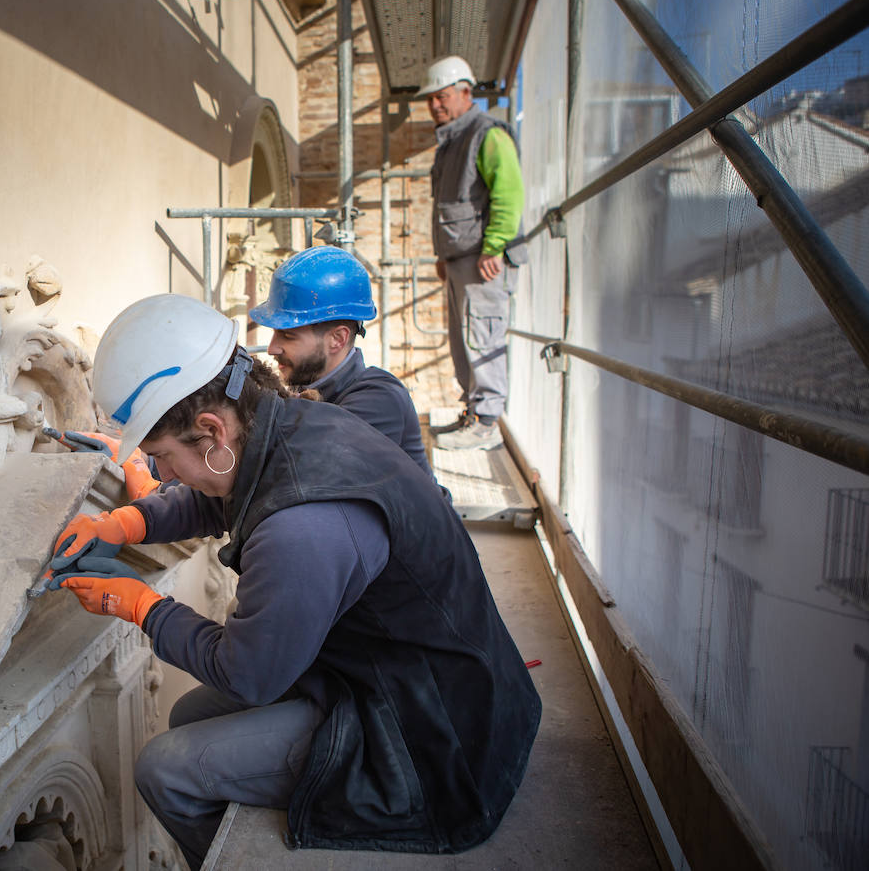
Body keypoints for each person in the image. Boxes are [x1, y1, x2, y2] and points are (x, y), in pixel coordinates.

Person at [45, 293, 540, 868]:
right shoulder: (293, 422)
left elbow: (248, 674)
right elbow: (227, 492)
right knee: (188, 715)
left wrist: (143, 607)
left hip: (431, 731)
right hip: (400, 670)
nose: (156, 473)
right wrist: (128, 522)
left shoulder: (301, 530)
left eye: (160, 455)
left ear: (211, 429)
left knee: (165, 768)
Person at [250, 245, 432, 477]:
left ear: (337, 338)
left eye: (287, 335)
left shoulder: (379, 400)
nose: (272, 348)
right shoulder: (310, 388)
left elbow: (302, 470)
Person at [424, 55, 528, 451]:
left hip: (482, 258)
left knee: (482, 335)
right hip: (459, 259)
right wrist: (443, 254)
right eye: (430, 99)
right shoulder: (451, 141)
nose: (435, 105)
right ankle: (472, 412)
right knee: (463, 339)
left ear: (467, 93)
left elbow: (509, 193)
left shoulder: (487, 134)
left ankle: (486, 422)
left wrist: (495, 245)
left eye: (442, 96)